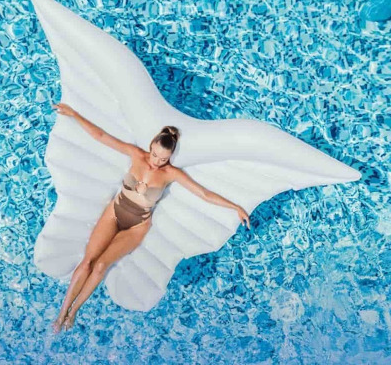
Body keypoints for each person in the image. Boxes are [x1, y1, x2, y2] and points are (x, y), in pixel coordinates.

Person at [50, 102, 251, 333]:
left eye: (163, 159)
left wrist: (235, 207)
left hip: (136, 227)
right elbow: (101, 136)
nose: (156, 161)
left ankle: (74, 312)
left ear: (170, 157)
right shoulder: (137, 155)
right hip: (114, 214)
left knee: (101, 265)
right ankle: (61, 314)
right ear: (151, 146)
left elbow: (203, 193)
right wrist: (74, 114)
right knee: (87, 262)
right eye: (155, 155)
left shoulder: (171, 173)